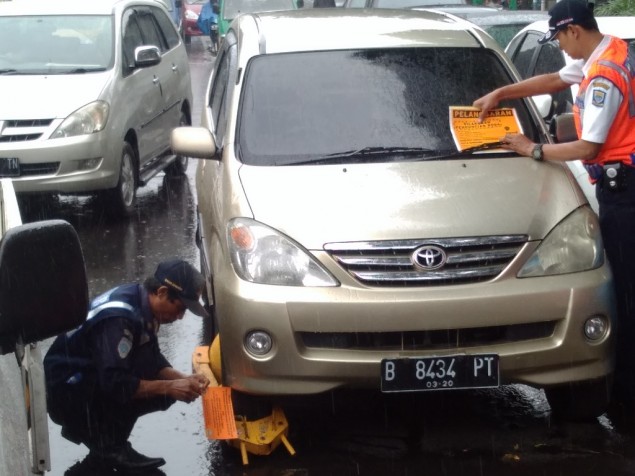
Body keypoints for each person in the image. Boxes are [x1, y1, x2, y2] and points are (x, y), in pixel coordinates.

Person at [473, 0, 635, 420]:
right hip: (622, 184)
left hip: (626, 192)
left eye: (560, 38)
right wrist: (503, 92)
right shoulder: (610, 50)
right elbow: (555, 80)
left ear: (574, 31)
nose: (561, 47)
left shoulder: (604, 76)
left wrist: (533, 148)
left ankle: (626, 398)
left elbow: (587, 147)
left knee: (626, 296)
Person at [44, 259, 211, 472]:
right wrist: (170, 387)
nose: (180, 317)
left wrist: (183, 379)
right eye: (179, 308)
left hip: (88, 378)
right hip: (66, 391)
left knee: (167, 390)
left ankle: (109, 442)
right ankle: (108, 447)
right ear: (161, 292)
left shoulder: (143, 304)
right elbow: (115, 383)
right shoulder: (119, 319)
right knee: (159, 390)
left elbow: (152, 360)